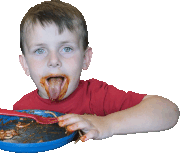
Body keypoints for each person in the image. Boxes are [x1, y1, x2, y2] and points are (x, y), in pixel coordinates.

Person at [15, 0, 179, 142]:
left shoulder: (97, 96)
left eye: (66, 48)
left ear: (85, 58)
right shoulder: (20, 112)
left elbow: (168, 111)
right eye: (39, 51)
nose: (53, 61)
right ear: (25, 65)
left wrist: (107, 124)